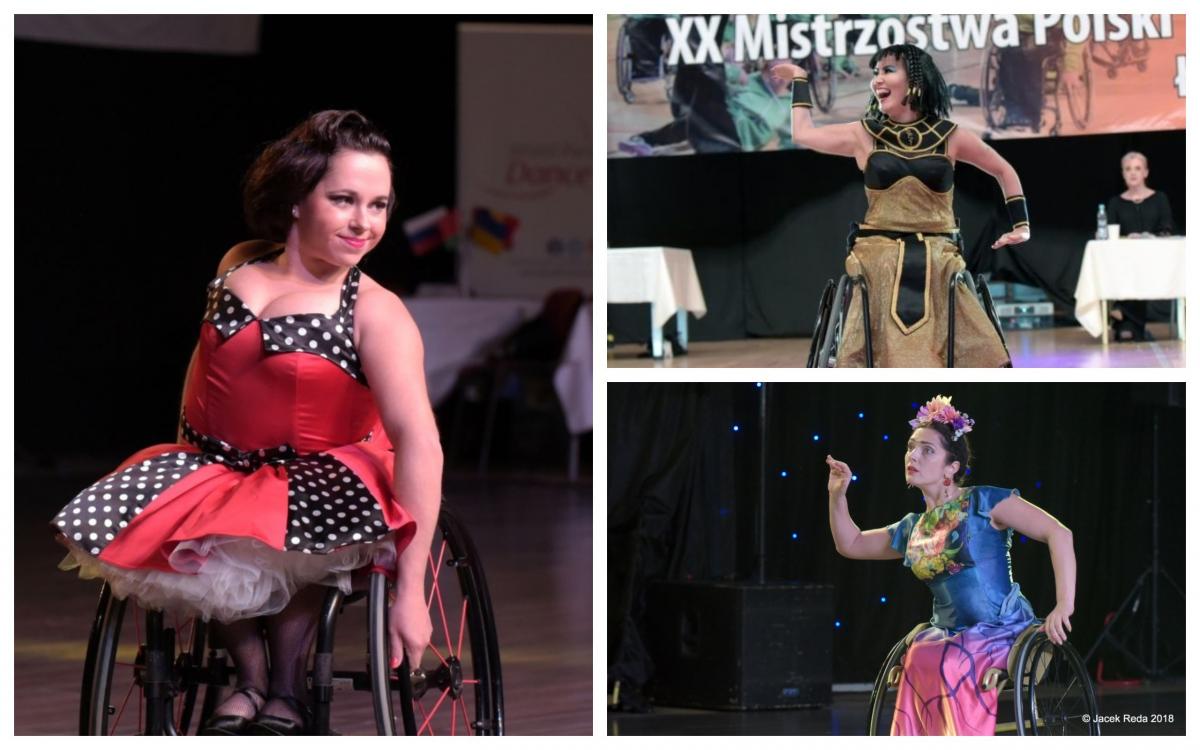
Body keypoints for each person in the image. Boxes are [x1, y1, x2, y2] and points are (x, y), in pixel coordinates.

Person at [51, 110, 443, 735]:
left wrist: (412, 589)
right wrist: (187, 470)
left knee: (293, 530)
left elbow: (420, 440)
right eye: (343, 200)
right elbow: (203, 366)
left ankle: (282, 689)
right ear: (295, 198)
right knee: (202, 519)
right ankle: (253, 679)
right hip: (224, 462)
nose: (363, 222)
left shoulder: (376, 311)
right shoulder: (237, 265)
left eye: (377, 205)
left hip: (325, 473)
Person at [825, 395, 1077, 735]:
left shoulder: (983, 502)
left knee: (949, 662)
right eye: (911, 447)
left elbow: (1058, 533)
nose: (913, 455)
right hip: (948, 633)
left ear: (951, 467)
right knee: (919, 659)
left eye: (927, 450)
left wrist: (1064, 605)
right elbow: (851, 544)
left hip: (1001, 629)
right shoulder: (912, 527)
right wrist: (837, 496)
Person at [773, 44, 1029, 367]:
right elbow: (803, 133)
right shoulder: (863, 134)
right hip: (877, 251)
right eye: (875, 72)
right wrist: (800, 79)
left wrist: (1022, 226)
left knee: (942, 268)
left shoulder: (949, 136)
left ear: (915, 80)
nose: (877, 79)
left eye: (888, 70)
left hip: (939, 253)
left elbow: (1004, 170)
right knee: (882, 265)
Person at [1104, 151, 1176, 341]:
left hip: (1155, 260)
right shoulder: (1115, 203)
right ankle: (1127, 323)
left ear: (1146, 172)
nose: (1133, 173)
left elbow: (1167, 228)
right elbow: (1110, 232)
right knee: (1125, 268)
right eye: (1128, 169)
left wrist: (1147, 237)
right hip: (1125, 262)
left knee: (1140, 269)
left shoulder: (1159, 198)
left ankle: (1123, 317)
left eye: (1137, 168)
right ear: (1123, 174)